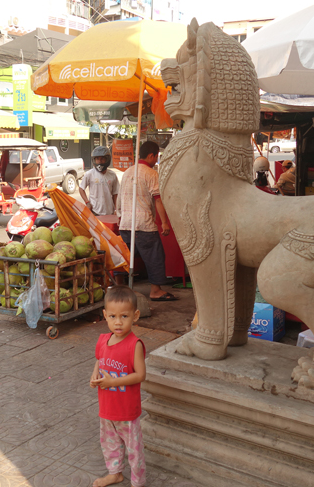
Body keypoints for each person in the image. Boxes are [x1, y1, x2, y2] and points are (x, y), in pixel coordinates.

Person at [90, 286, 147, 487]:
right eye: (112, 316)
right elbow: (99, 359)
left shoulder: (135, 344)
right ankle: (115, 473)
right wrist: (95, 374)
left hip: (127, 411)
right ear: (105, 315)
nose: (118, 322)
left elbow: (140, 375)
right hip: (107, 408)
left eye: (124, 316)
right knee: (110, 444)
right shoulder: (103, 340)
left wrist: (112, 382)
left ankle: (138, 481)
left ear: (135, 315)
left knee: (134, 449)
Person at [116, 141, 177, 302]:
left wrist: (121, 217)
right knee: (155, 256)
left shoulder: (127, 172)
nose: (156, 160)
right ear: (151, 155)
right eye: (156, 157)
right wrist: (164, 222)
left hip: (126, 224)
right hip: (144, 225)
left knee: (125, 256)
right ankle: (155, 290)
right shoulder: (151, 173)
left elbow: (120, 200)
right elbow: (158, 200)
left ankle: (119, 287)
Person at [79, 145, 120, 216]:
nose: (99, 161)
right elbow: (81, 189)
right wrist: (87, 203)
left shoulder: (112, 175)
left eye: (102, 159)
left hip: (109, 211)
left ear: (107, 159)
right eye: (97, 159)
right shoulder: (89, 174)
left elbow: (115, 193)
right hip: (95, 211)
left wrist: (116, 209)